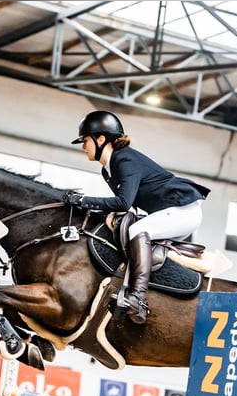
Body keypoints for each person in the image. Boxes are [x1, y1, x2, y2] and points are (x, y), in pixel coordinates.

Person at [64, 110, 210, 324]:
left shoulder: (124, 159)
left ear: (101, 139)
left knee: (138, 230)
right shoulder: (108, 169)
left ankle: (137, 297)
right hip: (170, 211)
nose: (83, 146)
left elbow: (124, 202)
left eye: (85, 140)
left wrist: (83, 200)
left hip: (184, 210)